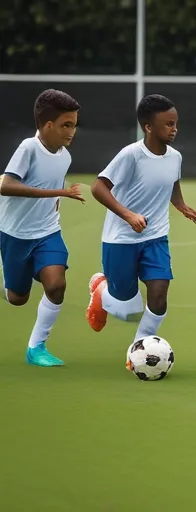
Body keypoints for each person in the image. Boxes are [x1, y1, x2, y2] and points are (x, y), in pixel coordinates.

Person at [85, 94, 196, 366]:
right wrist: (127, 215)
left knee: (159, 294)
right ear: (148, 127)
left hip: (156, 237)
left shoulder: (175, 156)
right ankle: (101, 289)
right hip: (121, 239)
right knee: (128, 310)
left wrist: (181, 204)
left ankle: (136, 352)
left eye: (175, 124)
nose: (174, 129)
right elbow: (98, 188)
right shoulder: (131, 155)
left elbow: (172, 182)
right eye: (168, 124)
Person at [0, 89, 83, 367]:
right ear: (48, 125)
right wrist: (57, 192)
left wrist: (55, 201)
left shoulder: (64, 156)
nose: (72, 131)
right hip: (15, 235)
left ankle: (36, 347)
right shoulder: (28, 148)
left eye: (74, 124)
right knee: (17, 298)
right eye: (66, 125)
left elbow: (54, 193)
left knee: (56, 285)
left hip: (47, 233)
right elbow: (6, 185)